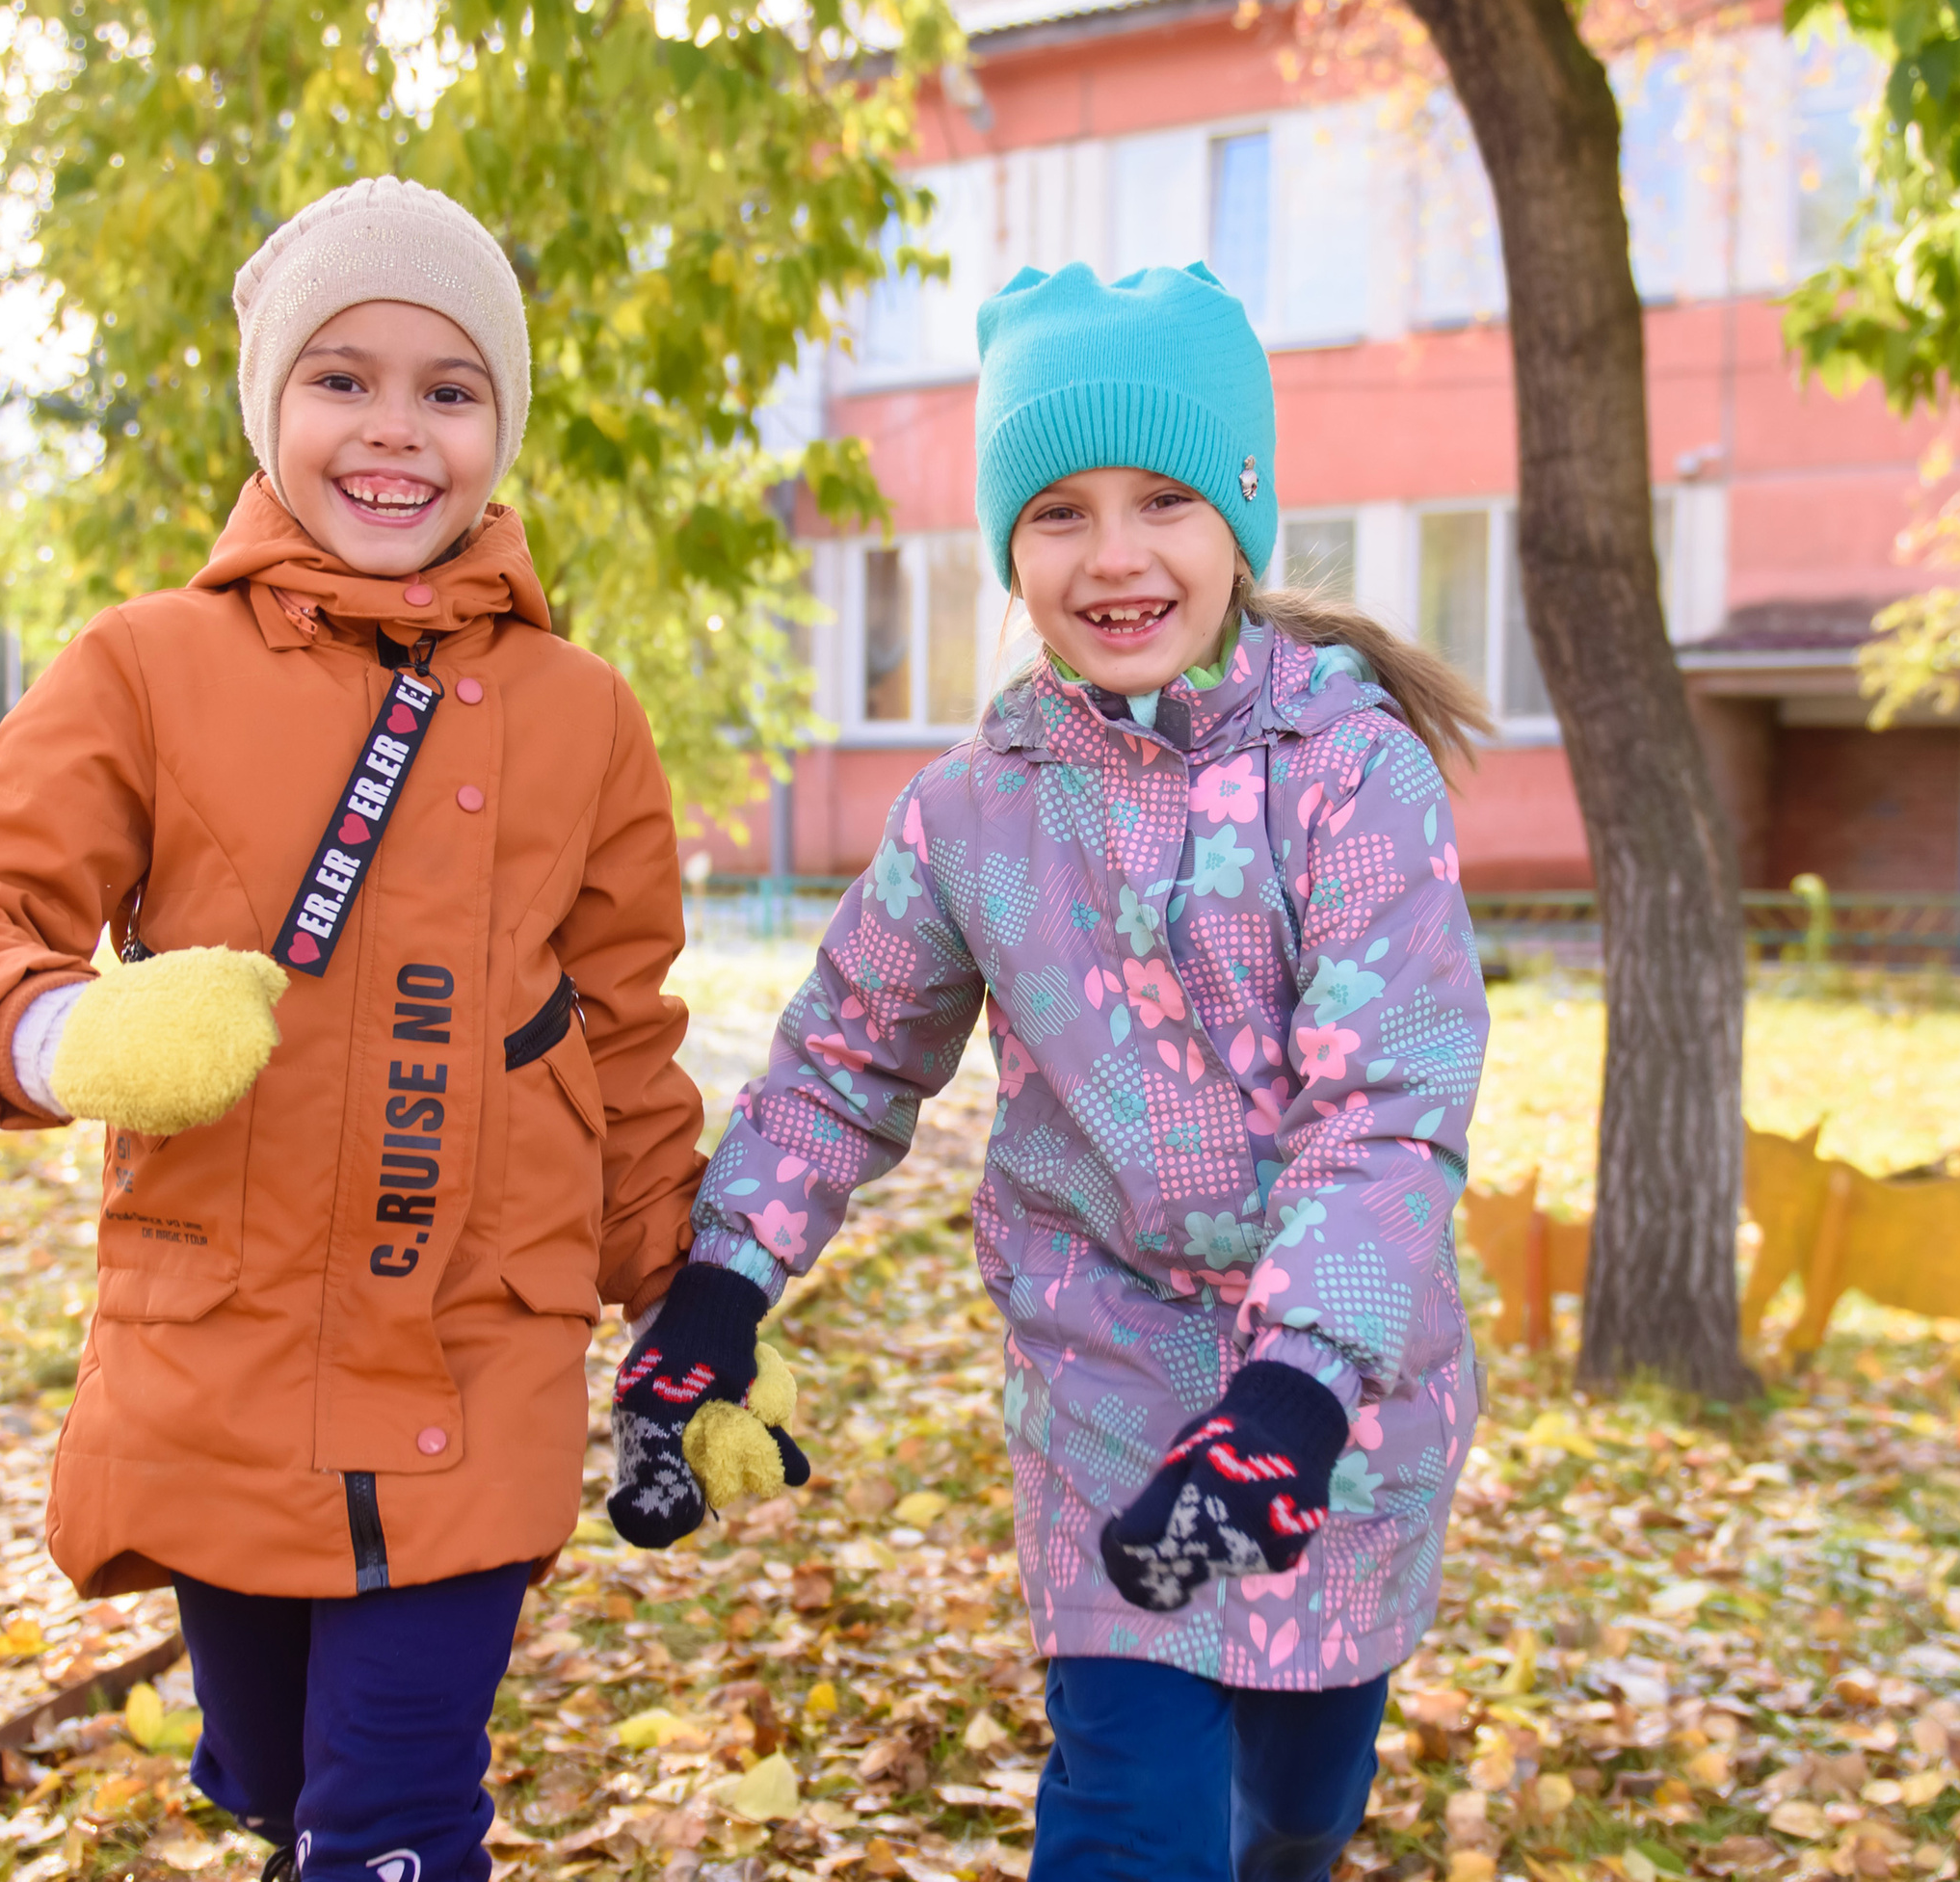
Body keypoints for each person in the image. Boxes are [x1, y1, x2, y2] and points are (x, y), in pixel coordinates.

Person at [0, 176, 707, 1882]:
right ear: (270, 407)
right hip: (222, 1361)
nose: (395, 431)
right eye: (343, 377)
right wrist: (59, 1035)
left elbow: (625, 1041)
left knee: (393, 1821)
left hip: (483, 1358)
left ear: (500, 427)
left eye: (449, 389)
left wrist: (697, 1318)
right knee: (272, 1781)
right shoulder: (145, 668)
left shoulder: (584, 715)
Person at [606, 260, 1494, 1882]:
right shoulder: (974, 808)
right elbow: (839, 1062)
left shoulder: (1350, 772)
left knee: (1299, 1790)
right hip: (1102, 1377)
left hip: (1340, 1396)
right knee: (1130, 1810)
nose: (1114, 555)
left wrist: (1293, 1396)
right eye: (1059, 511)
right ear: (1009, 549)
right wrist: (715, 1300)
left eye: (1162, 498)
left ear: (1242, 518)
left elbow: (1388, 1110)